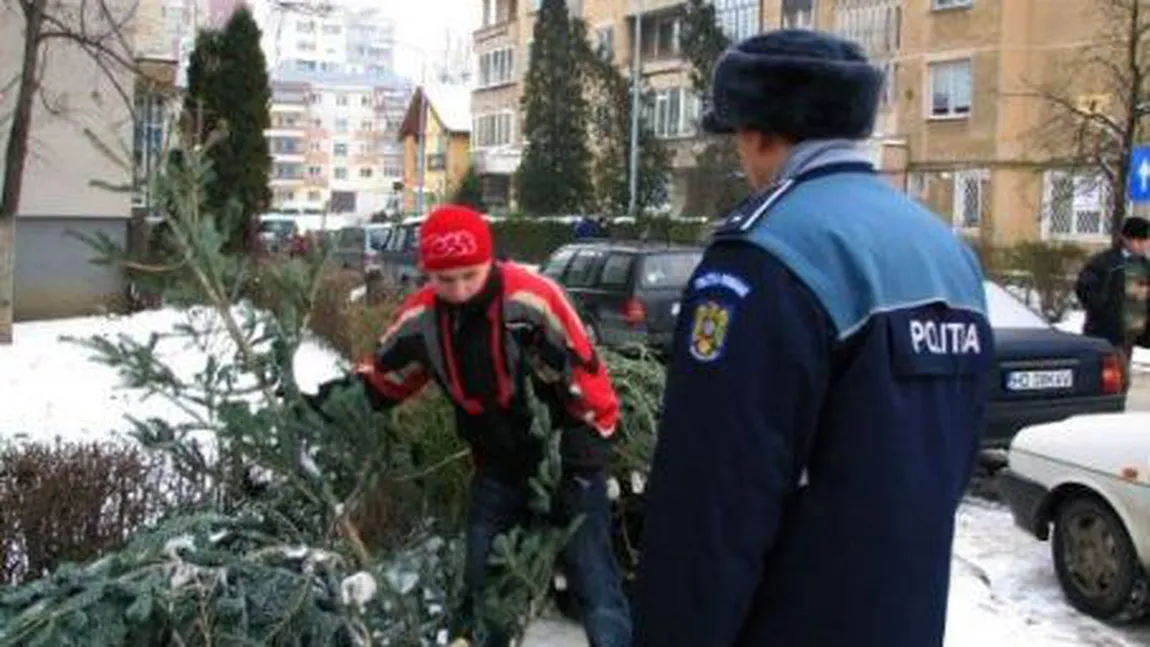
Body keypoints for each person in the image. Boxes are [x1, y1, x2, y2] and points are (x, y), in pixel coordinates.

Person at [630, 29, 995, 647]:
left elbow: (713, 502)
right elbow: (953, 455)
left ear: (759, 133)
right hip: (905, 615)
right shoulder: (945, 251)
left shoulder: (764, 254)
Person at [311, 204, 631, 647]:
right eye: (445, 279)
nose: (459, 291)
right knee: (482, 588)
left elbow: (592, 386)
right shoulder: (422, 318)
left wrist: (580, 465)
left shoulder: (533, 301)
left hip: (566, 463)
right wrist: (325, 403)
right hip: (497, 472)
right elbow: (386, 379)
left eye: (469, 275)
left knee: (594, 583)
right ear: (428, 274)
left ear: (489, 261)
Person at [1075, 216, 1150, 389]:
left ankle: (1112, 408)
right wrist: (1105, 310)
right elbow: (1084, 288)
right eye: (1139, 240)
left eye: (1146, 240)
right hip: (1108, 333)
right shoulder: (1106, 262)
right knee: (1118, 381)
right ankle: (1109, 411)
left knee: (1116, 382)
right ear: (1126, 239)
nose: (1144, 245)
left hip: (1132, 333)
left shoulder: (1144, 265)